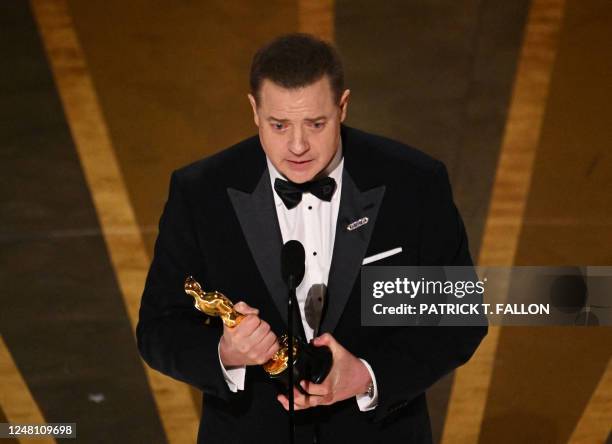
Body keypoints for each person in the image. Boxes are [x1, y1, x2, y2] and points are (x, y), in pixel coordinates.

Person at [137, 33, 487, 444]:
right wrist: (227, 353)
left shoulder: (414, 183)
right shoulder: (201, 193)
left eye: (316, 124)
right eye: (279, 125)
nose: (298, 145)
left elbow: (458, 317)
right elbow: (158, 329)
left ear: (343, 106)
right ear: (254, 110)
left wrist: (367, 376)